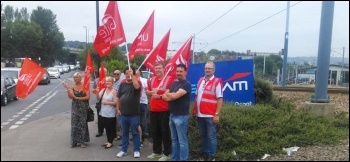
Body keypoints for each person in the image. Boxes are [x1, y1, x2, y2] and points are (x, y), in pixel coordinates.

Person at [193, 61, 223, 161]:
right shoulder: (200, 80)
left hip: (210, 115)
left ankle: (211, 156)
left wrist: (217, 114)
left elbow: (220, 99)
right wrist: (195, 110)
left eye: (209, 68)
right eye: (206, 68)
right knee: (203, 136)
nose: (207, 70)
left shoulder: (217, 81)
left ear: (214, 70)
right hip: (200, 114)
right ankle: (205, 154)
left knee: (211, 137)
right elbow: (197, 96)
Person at [163, 64, 192, 161]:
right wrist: (171, 95)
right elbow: (164, 96)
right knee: (174, 140)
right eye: (177, 71)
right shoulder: (174, 83)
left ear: (185, 72)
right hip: (172, 115)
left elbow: (174, 96)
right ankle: (174, 158)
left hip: (181, 116)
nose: (178, 73)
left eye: (181, 71)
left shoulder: (186, 84)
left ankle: (183, 159)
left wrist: (170, 95)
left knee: (182, 141)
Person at [146, 62, 174, 161]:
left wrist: (160, 96)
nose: (157, 70)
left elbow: (171, 93)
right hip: (153, 110)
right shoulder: (152, 79)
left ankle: (167, 153)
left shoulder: (169, 79)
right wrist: (151, 92)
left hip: (164, 110)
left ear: (164, 69)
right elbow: (148, 91)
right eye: (156, 68)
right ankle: (157, 152)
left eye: (159, 68)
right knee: (155, 132)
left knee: (165, 132)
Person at [116, 67, 142, 158]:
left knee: (135, 133)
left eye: (130, 73)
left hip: (134, 114)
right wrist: (118, 108)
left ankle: (136, 150)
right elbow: (118, 97)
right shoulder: (122, 84)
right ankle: (123, 150)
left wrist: (133, 77)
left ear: (133, 74)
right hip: (123, 114)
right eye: (126, 73)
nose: (128, 75)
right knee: (124, 133)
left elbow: (137, 87)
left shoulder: (137, 83)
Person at [63, 72, 90, 148]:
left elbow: (88, 97)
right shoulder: (72, 87)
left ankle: (82, 142)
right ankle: (74, 142)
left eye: (78, 77)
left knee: (82, 123)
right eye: (75, 77)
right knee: (74, 124)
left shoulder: (85, 86)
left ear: (81, 78)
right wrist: (68, 89)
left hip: (83, 107)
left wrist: (79, 98)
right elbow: (71, 97)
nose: (76, 79)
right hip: (75, 107)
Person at [95, 76, 117, 149]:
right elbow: (98, 98)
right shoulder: (103, 90)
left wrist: (107, 102)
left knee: (111, 128)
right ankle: (108, 141)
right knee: (106, 128)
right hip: (103, 112)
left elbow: (116, 102)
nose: (108, 83)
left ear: (112, 83)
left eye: (109, 82)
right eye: (107, 82)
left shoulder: (114, 91)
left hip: (111, 113)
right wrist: (97, 93)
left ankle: (110, 142)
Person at [93, 67, 107, 137]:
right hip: (99, 101)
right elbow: (94, 90)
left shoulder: (109, 80)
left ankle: (109, 131)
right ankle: (100, 130)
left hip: (107, 102)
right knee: (100, 117)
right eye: (101, 72)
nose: (102, 74)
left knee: (108, 117)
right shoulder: (96, 80)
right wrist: (96, 90)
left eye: (104, 72)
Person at [137, 70, 149, 148]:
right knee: (135, 121)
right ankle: (137, 136)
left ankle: (143, 136)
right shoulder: (132, 80)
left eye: (137, 71)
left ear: (140, 72)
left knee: (142, 121)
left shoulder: (144, 81)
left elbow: (148, 91)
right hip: (134, 104)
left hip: (143, 103)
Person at [113, 69, 123, 141]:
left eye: (117, 74)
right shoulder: (113, 82)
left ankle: (120, 134)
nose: (116, 75)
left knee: (119, 120)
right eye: (115, 74)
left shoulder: (121, 83)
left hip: (118, 104)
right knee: (114, 120)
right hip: (111, 104)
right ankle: (115, 133)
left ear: (120, 75)